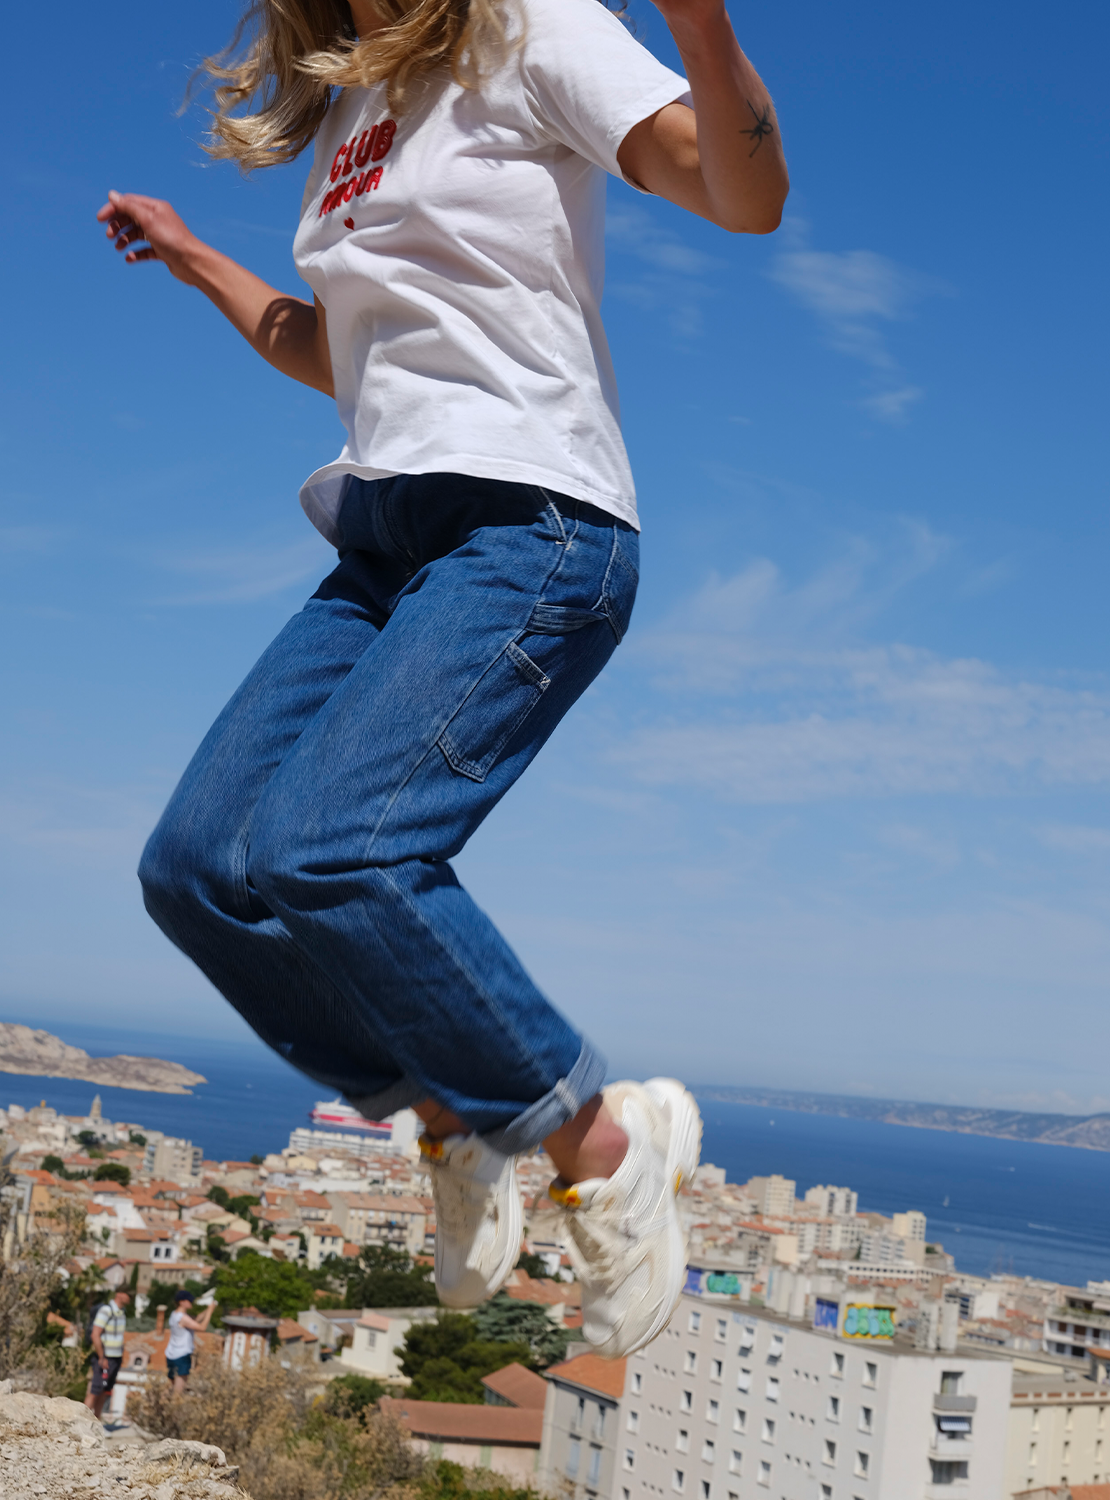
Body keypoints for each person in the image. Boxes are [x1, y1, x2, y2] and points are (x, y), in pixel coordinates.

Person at [99, 0, 787, 1357]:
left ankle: (604, 1140)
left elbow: (739, 190)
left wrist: (703, 26)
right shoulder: (352, 109)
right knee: (195, 868)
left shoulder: (533, 28)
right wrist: (195, 264)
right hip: (387, 539)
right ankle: (445, 1116)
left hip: (533, 530)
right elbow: (338, 354)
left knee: (331, 849)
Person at [86, 1287, 130, 1419]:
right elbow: (95, 1334)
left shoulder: (121, 1312)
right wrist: (102, 1357)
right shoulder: (106, 1311)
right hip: (106, 1357)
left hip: (116, 1357)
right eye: (128, 1294)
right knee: (95, 1391)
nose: (130, 1298)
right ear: (120, 1294)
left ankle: (97, 1422)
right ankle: (81, 1421)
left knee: (104, 1391)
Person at [165, 1290, 211, 1393]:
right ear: (182, 1302)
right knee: (178, 1390)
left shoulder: (174, 1315)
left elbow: (195, 1320)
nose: (191, 1303)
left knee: (171, 1388)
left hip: (171, 1354)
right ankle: (173, 1408)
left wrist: (207, 1309)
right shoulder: (183, 1318)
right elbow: (202, 1327)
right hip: (182, 1355)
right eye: (188, 1301)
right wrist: (211, 1312)